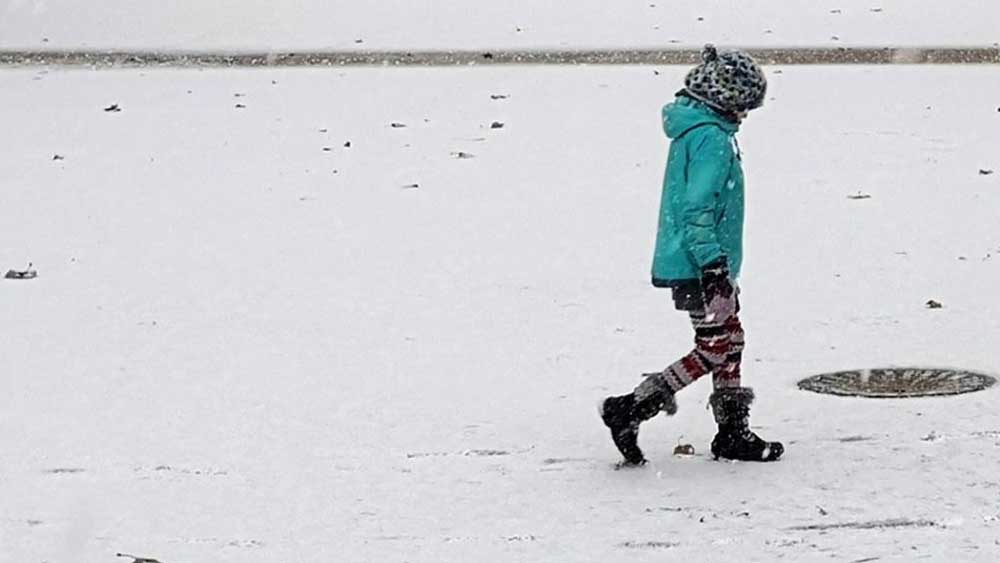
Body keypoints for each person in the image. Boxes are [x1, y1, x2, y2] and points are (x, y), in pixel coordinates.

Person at [600, 44, 784, 466]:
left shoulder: (697, 130)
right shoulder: (711, 140)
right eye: (745, 106)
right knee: (716, 346)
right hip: (700, 267)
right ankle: (630, 408)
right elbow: (697, 209)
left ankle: (733, 433)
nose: (745, 115)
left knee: (730, 340)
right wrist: (714, 267)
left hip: (699, 262)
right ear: (726, 98)